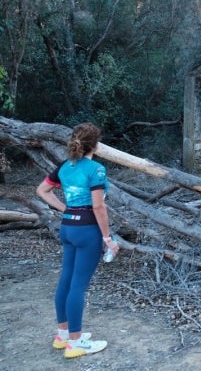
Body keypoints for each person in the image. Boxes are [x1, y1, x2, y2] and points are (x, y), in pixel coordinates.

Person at [36, 122, 119, 359]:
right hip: (87, 230)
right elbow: (98, 206)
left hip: (68, 227)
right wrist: (107, 237)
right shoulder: (96, 169)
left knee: (67, 279)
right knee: (78, 285)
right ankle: (75, 343)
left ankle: (63, 335)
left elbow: (41, 190)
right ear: (96, 145)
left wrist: (66, 209)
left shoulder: (64, 166)